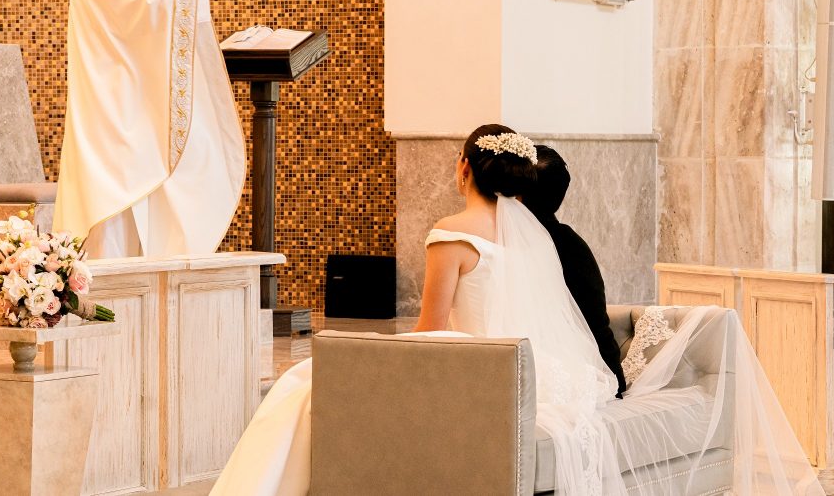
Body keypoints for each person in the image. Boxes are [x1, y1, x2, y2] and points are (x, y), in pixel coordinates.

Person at [211, 124, 825, 495]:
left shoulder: (451, 234)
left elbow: (426, 333)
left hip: (476, 370)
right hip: (552, 373)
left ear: (462, 169)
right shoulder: (537, 238)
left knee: (300, 382)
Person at [54, 0, 269, 258]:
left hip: (129, 131)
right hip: (108, 136)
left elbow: (154, 14)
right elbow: (158, 1)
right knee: (112, 243)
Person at [523, 144, 626, 397]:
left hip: (593, 373)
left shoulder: (563, 247)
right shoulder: (554, 239)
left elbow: (591, 324)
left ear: (518, 195)